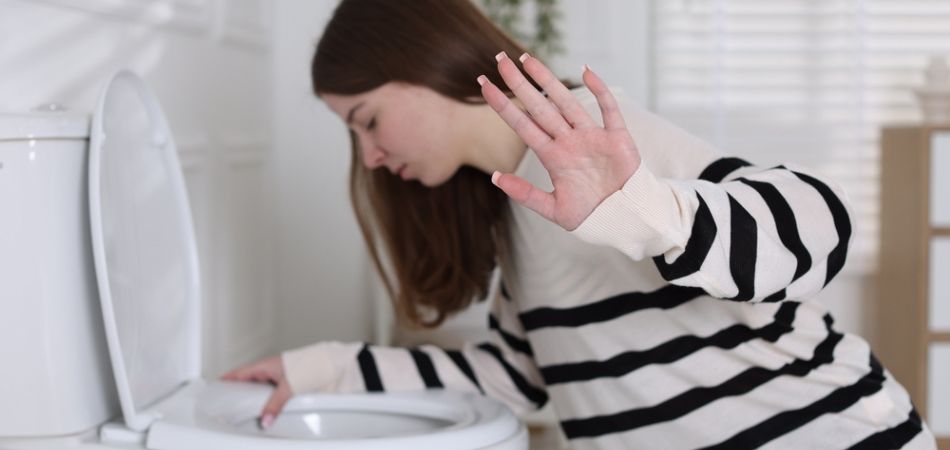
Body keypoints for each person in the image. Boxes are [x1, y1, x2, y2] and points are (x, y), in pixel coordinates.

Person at [222, 0, 937, 448]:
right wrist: (320, 371)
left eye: (367, 120)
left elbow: (818, 227)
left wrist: (645, 212)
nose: (370, 157)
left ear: (422, 64)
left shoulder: (587, 134)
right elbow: (515, 379)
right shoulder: (512, 209)